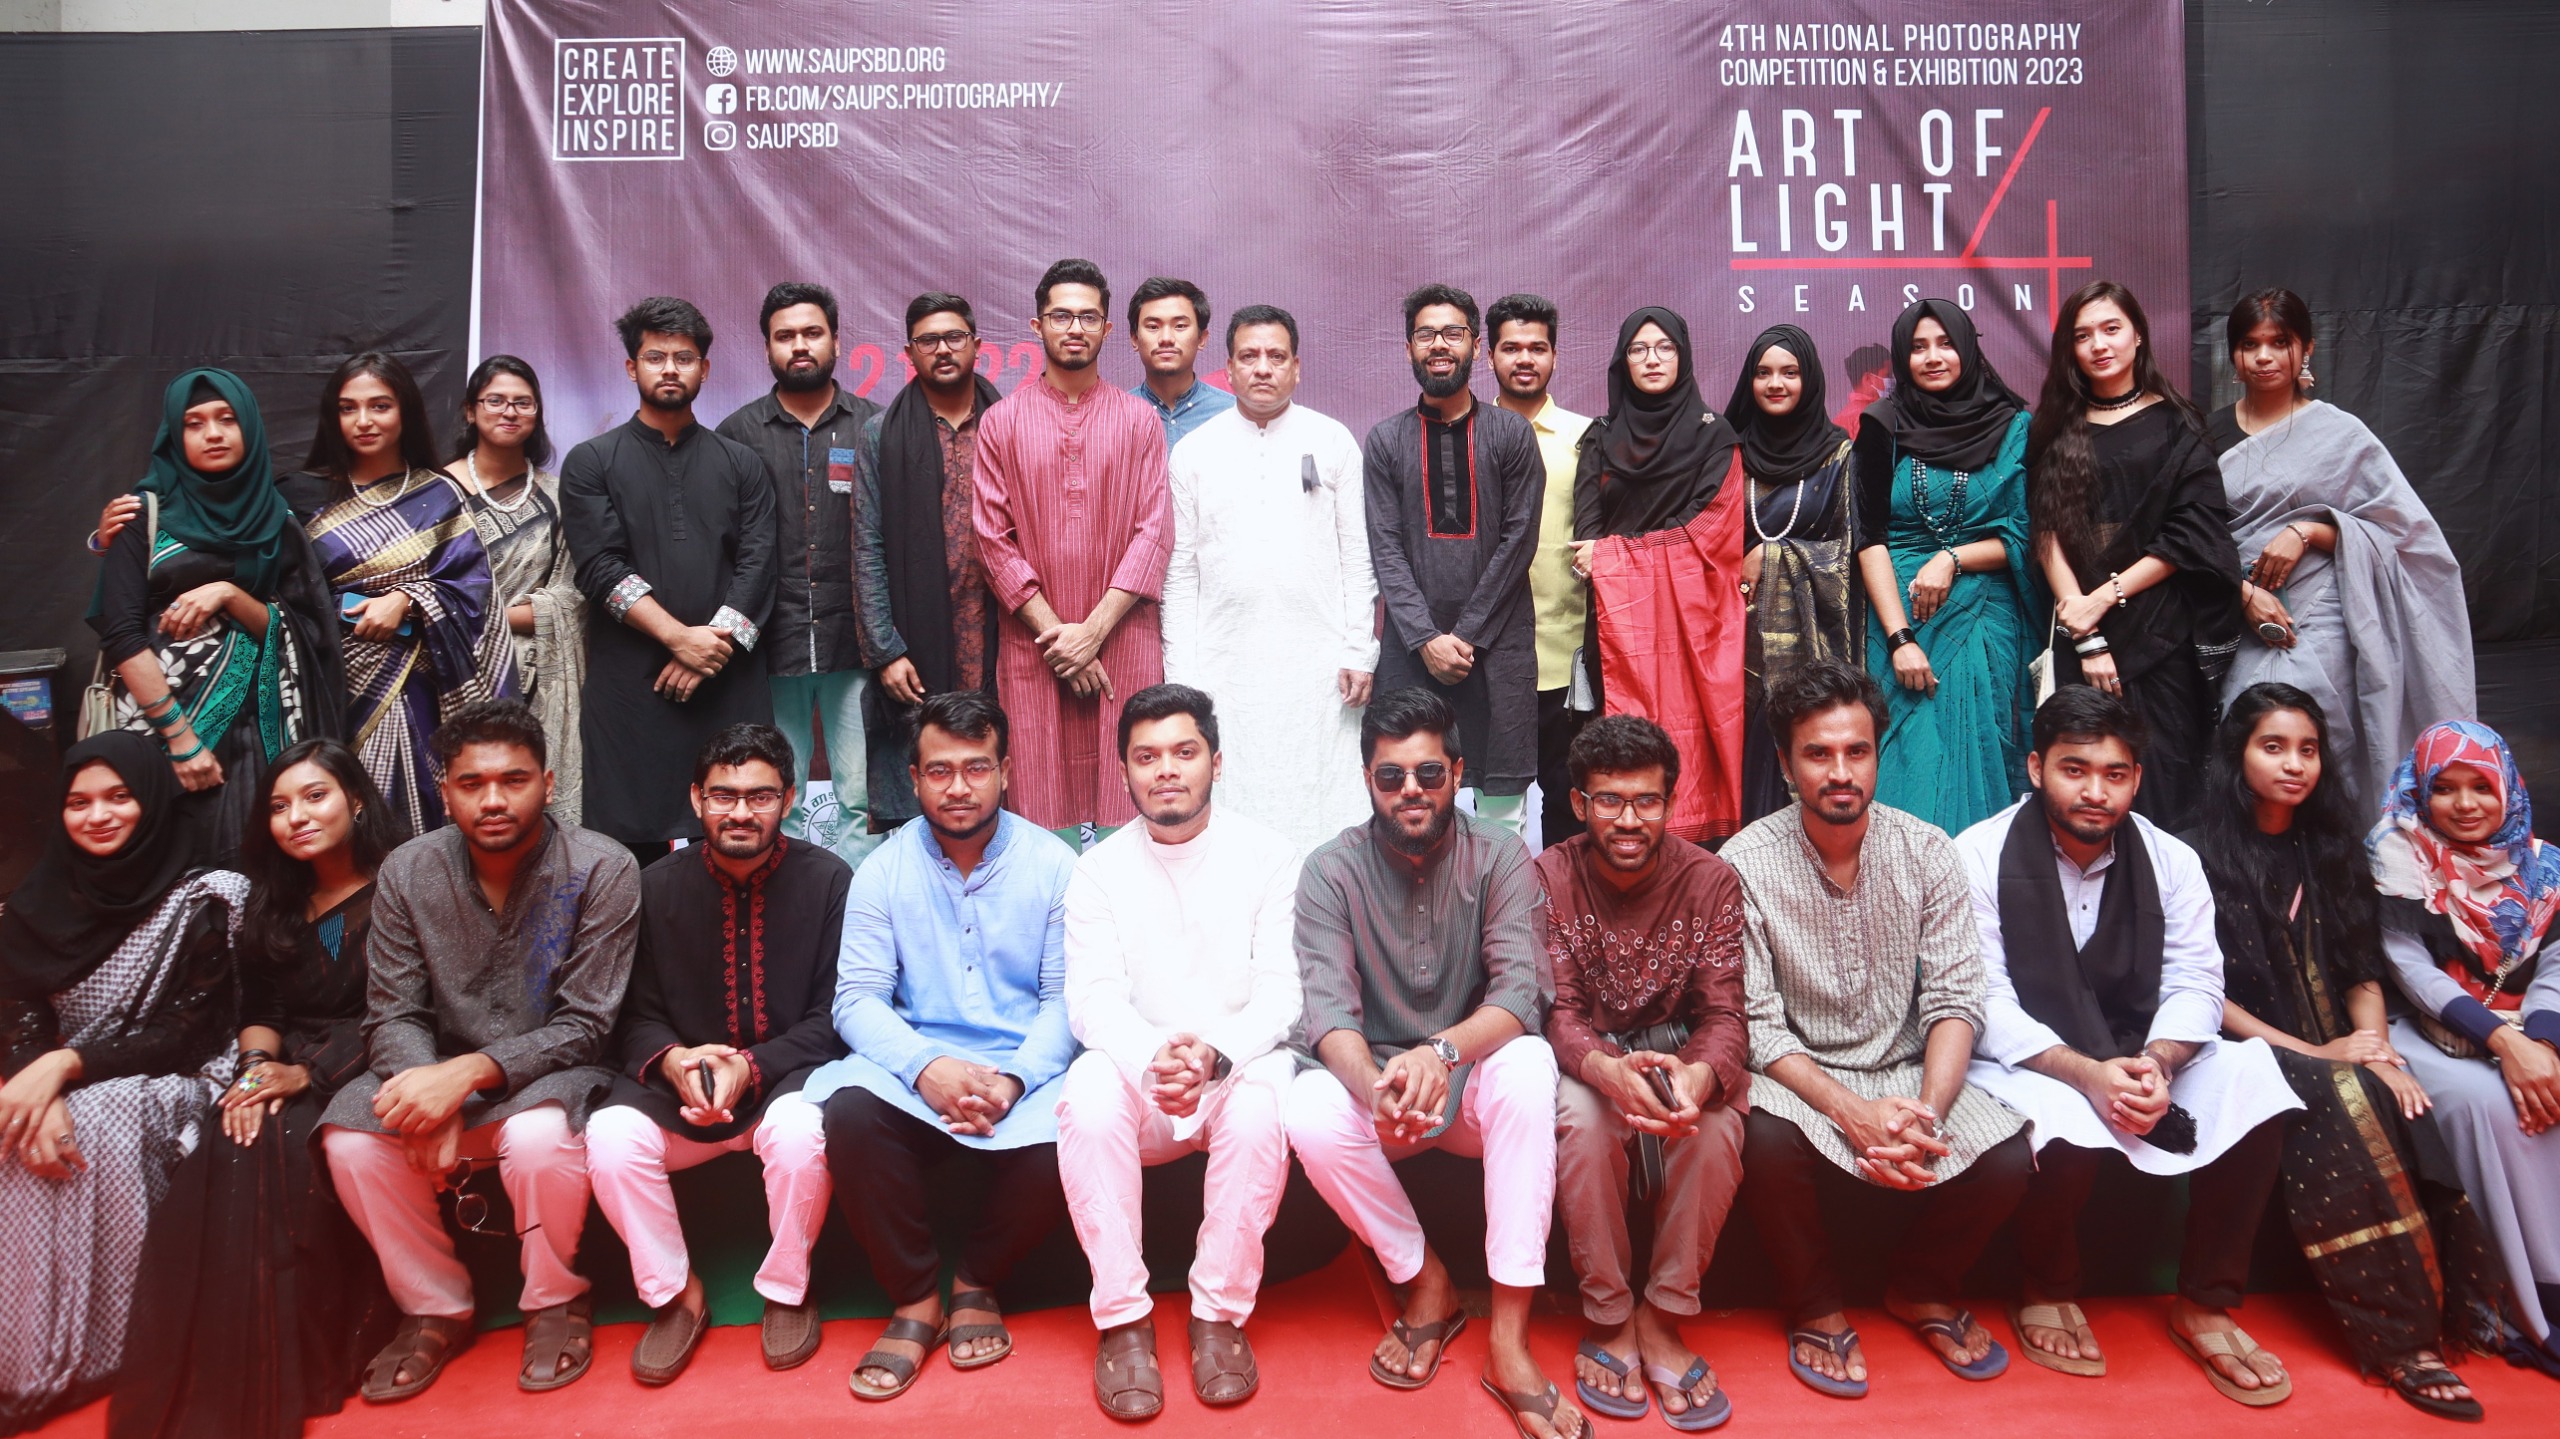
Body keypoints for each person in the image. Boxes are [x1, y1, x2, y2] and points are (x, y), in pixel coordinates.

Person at [1955, 686, 2300, 1406]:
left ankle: (2205, 1301)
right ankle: (2046, 1287)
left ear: (2137, 779)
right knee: (2060, 1109)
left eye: (2114, 773)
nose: (2095, 791)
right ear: (2036, 768)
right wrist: (2086, 1071)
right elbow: (1983, 997)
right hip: (2031, 1059)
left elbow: (2197, 981)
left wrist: (2158, 1061)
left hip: (2144, 1053)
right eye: (2074, 769)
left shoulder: (2171, 859)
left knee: (2254, 1074)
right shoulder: (1977, 854)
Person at [318, 699, 639, 1401]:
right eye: (472, 783)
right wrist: (427, 1089)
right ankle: (434, 1305)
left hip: (553, 1070)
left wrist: (466, 1077)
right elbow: (392, 1010)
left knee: (538, 1134)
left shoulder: (602, 866)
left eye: (513, 780)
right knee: (351, 1137)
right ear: (446, 792)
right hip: (431, 1064)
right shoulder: (407, 870)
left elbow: (587, 1023)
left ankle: (555, 1296)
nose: (493, 800)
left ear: (547, 783)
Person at [1726, 659, 2029, 1400]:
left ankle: (1923, 1285)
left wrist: (1926, 1112)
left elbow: (1956, 999)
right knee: (1761, 1136)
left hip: (1907, 1071)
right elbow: (1759, 1026)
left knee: (2007, 1156)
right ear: (1785, 764)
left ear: (1877, 755)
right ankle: (1814, 1304)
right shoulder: (1743, 863)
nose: (1841, 772)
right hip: (1799, 1077)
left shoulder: (1928, 849)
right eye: (1818, 754)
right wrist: (1851, 1112)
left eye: (1856, 751)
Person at [1282, 689, 1581, 1439]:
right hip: (1382, 1096)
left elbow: (1521, 991)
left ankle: (1509, 1339)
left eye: (1427, 773)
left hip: (1466, 1079)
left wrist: (1441, 1054)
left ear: (1457, 772)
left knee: (1529, 1063)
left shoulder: (1500, 855)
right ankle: (1426, 1281)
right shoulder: (1329, 871)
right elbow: (1328, 1014)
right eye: (1391, 776)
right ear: (1368, 780)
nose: (1410, 790)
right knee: (1307, 1108)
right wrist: (1375, 1086)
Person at [2194, 685, 2495, 1421]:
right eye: (2273, 747)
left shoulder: (2332, 848)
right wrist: (2321, 1051)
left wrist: (2378, 1050)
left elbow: (2362, 971)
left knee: (2395, 1089)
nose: (2294, 764)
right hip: (2233, 1044)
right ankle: (2402, 1344)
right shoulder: (2192, 851)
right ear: (2237, 754)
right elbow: (2200, 993)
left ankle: (2465, 1311)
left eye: (2308, 749)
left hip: (2331, 1040)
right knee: (2342, 1091)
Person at [110, 739, 401, 1439]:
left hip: (376, 1057)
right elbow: (263, 1009)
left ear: (356, 800)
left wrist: (307, 1075)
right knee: (227, 1139)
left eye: (314, 796)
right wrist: (251, 1073)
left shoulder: (401, 884)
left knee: (289, 1145)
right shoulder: (276, 899)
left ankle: (305, 1361)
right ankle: (221, 1371)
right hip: (283, 1059)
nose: (296, 817)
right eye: (278, 805)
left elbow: (405, 1009)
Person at [802, 691, 1077, 1402]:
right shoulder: (882, 869)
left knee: (1082, 1121)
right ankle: (916, 1297)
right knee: (850, 1112)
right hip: (916, 1066)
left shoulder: (1055, 865)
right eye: (940, 770)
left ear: (1006, 771)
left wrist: (1013, 1080)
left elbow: (1065, 1000)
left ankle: (977, 1278)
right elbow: (857, 999)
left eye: (977, 767)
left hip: (1023, 1068)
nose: (959, 787)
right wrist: (926, 1066)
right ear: (915, 778)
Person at [1057, 684, 1304, 1418]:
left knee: (1262, 1107)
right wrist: (1154, 1058)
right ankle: (1123, 1319)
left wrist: (1215, 1055)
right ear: (1124, 772)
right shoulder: (1096, 870)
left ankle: (1218, 1315)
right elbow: (1091, 998)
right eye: (1147, 756)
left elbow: (1283, 992)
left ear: (1216, 762)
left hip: (1234, 1065)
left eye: (1184, 751)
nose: (1166, 769)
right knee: (1086, 1099)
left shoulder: (1270, 856)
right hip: (1144, 1073)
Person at [587, 722, 849, 1383]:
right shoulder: (652, 886)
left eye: (760, 796)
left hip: (785, 1083)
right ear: (696, 798)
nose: (740, 812)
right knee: (611, 1138)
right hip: (678, 1089)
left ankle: (788, 1286)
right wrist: (675, 1062)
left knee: (801, 1134)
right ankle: (676, 1294)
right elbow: (632, 1013)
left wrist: (751, 1066)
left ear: (789, 799)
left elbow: (836, 1017)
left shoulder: (828, 881)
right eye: (724, 795)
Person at [0, 733, 243, 1431]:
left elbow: (189, 1032)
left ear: (155, 801)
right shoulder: (34, 905)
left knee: (104, 1112)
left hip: (182, 1078)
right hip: (66, 1082)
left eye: (119, 797)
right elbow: (17, 1017)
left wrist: (64, 1068)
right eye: (78, 802)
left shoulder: (208, 897)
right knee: (15, 1123)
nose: (98, 815)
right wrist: (39, 1085)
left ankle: (109, 1349)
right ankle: (21, 1356)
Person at [1540, 715, 1746, 1430]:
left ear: (1670, 801)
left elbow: (1725, 1015)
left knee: (1715, 1129)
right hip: (1589, 1056)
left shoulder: (1712, 880)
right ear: (1579, 803)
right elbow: (1556, 1011)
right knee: (1581, 1118)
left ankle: (1662, 1316)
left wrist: (1695, 1080)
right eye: (1609, 800)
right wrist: (1606, 1069)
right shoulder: (1549, 876)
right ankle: (1608, 1314)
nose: (1629, 820)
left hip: (1679, 1053)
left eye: (1646, 801)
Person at [2211, 288, 2475, 811]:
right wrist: (2241, 592)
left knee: (2320, 737)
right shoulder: (2206, 434)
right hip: (2231, 615)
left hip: (2325, 614)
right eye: (2249, 344)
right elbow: (2187, 538)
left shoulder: (2342, 434)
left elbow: (2405, 539)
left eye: (2280, 342)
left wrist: (2308, 532)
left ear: (2306, 348)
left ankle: (2335, 851)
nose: (2264, 357)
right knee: (2245, 739)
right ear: (2234, 355)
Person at [85, 368, 346, 859]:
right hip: (164, 725)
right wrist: (180, 738)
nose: (213, 433)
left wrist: (228, 593)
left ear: (248, 425)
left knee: (259, 864)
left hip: (262, 728)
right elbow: (120, 634)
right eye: (194, 422)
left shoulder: (277, 520)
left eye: (227, 419)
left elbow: (306, 632)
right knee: (170, 860)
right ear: (174, 434)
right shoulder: (141, 515)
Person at [2370, 719, 2560, 1374]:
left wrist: (2542, 1046)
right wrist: (2505, 1043)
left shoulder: (2543, 864)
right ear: (2420, 792)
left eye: (2480, 785)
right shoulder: (2398, 854)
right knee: (2489, 1104)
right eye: (2444, 788)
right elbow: (2410, 971)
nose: (2465, 803)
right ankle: (2521, 1301)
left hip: (2530, 1029)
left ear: (2508, 786)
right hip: (2425, 1030)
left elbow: (2556, 964)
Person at [560, 296, 778, 855]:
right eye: (655, 357)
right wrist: (680, 639)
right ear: (631, 367)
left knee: (735, 842)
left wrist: (708, 649)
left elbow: (758, 564)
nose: (670, 369)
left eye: (684, 358)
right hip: (632, 687)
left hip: (727, 682)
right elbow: (600, 567)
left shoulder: (742, 463)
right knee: (626, 852)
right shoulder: (591, 461)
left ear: (704, 369)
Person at [2029, 281, 2243, 833]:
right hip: (2081, 638)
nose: (2099, 345)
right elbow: (2046, 532)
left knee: (2165, 779)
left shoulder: (2179, 424)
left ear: (2139, 335)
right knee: (2082, 780)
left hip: (2160, 632)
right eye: (2083, 335)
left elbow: (2191, 534)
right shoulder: (2056, 426)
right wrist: (2085, 631)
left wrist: (2103, 598)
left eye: (2111, 329)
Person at [1161, 304, 1376, 853]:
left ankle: (1325, 903)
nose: (1263, 368)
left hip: (1320, 666)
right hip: (1224, 666)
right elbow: (1180, 573)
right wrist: (1182, 675)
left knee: (1325, 799)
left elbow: (1357, 556)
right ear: (1228, 368)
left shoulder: (1332, 440)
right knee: (1233, 801)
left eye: (1276, 357)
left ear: (1296, 368)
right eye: (1249, 356)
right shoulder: (1193, 452)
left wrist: (1359, 648)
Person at [973, 259, 1174, 842]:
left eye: (1088, 317)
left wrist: (1093, 632)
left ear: (1108, 329)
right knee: (1040, 812)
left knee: (1130, 803)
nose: (1075, 328)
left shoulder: (1139, 421)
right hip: (1036, 651)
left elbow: (1154, 532)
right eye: (1061, 316)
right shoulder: (1001, 422)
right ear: (1037, 326)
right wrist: (1063, 640)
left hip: (1124, 643)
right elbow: (991, 540)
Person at [297, 352, 520, 836]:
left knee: (416, 822)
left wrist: (410, 599)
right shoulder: (301, 497)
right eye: (348, 408)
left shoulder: (439, 494)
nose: (363, 421)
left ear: (405, 412)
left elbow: (476, 595)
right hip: (328, 691)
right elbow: (285, 600)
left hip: (421, 688)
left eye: (380, 406)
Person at [1363, 285, 1543, 842]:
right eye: (1425, 334)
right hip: (1411, 653)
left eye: (1452, 333)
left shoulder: (1511, 433)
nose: (1439, 345)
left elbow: (1519, 541)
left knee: (1501, 815)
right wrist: (1426, 639)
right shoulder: (1386, 440)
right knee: (1409, 800)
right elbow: (1385, 549)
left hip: (1496, 650)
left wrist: (1463, 637)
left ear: (1475, 346)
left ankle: (1496, 901)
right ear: (1408, 348)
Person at [1854, 299, 2040, 837]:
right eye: (1918, 347)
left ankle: (1977, 885)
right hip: (1899, 619)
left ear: (1967, 348)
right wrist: (1900, 639)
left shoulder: (2014, 426)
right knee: (1907, 764)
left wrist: (1953, 558)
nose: (1933, 357)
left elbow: (2029, 534)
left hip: (1986, 617)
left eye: (1945, 343)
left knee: (1981, 754)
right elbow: (1869, 538)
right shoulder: (1882, 423)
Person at [717, 282, 883, 867]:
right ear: (767, 348)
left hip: (855, 643)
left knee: (862, 798)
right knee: (770, 796)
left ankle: (854, 911)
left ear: (836, 341)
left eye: (812, 333)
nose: (800, 346)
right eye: (785, 336)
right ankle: (782, 904)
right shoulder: (736, 435)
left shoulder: (873, 426)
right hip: (768, 645)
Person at [1569, 306, 1748, 844]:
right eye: (1638, 349)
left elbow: (1711, 529)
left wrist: (1618, 557)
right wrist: (1613, 559)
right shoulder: (1601, 438)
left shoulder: (1715, 437)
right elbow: (1586, 537)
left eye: (1664, 347)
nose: (1652, 359)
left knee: (1692, 755)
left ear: (1683, 356)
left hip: (1695, 623)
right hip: (1615, 628)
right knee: (1618, 760)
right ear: (1622, 362)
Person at [856, 292, 1005, 826]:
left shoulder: (1009, 423)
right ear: (909, 353)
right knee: (922, 784)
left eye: (954, 337)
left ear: (976, 345)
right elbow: (867, 544)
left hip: (998, 638)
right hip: (915, 648)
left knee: (996, 780)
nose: (943, 349)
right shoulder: (880, 435)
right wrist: (885, 651)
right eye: (928, 341)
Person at [442, 354, 587, 824]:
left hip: (532, 679)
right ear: (470, 410)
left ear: (537, 412)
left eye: (523, 403)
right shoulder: (434, 493)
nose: (509, 411)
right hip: (448, 670)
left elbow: (573, 595)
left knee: (526, 805)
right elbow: (420, 588)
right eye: (495, 400)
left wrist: (486, 619)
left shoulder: (560, 497)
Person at [1729, 326, 1861, 823]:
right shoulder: (1728, 453)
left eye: (1790, 372)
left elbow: (1850, 553)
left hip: (1808, 648)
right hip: (1735, 648)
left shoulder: (1838, 456)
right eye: (1763, 373)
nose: (1775, 383)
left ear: (1810, 380)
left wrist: (1774, 556)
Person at [1483, 294, 1596, 848]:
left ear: (1555, 355)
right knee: (1494, 811)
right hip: (1488, 655)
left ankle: (1560, 906)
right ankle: (1495, 904)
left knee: (1569, 805)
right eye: (1511, 348)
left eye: (1537, 347)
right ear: (1488, 356)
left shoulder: (1587, 437)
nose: (1524, 359)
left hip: (1568, 655)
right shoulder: (1466, 433)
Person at [1127, 275, 1235, 448]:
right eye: (1153, 327)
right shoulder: (1117, 415)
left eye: (1180, 326)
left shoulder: (1231, 414)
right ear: (1134, 339)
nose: (1166, 338)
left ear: (1202, 338)